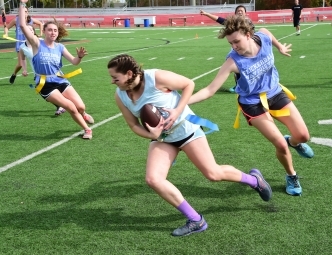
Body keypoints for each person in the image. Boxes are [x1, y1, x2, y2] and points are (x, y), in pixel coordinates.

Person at [107, 53, 272, 237]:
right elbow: (133, 125)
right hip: (164, 139)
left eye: (115, 78)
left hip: (186, 129)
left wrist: (177, 111)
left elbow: (188, 84)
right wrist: (150, 134)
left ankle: (254, 181)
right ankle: (196, 220)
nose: (113, 82)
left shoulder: (156, 78)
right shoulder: (120, 95)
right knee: (153, 180)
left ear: (129, 74)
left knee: (213, 174)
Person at [188, 15, 314, 196]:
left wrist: (280, 47)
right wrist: (183, 102)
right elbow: (209, 90)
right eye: (230, 43)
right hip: (252, 103)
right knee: (280, 145)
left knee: (302, 136)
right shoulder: (232, 61)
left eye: (236, 41)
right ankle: (291, 175)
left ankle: (293, 141)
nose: (234, 46)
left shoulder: (261, 37)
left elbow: (267, 33)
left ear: (248, 34)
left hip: (274, 93)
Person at [18, 0, 94, 139]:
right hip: (44, 84)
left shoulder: (60, 47)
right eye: (49, 30)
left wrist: (79, 57)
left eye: (55, 30)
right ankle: (87, 130)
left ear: (57, 32)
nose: (52, 32)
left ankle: (82, 114)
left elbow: (74, 62)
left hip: (60, 79)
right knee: (70, 107)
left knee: (80, 106)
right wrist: (22, 4)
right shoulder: (36, 44)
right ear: (44, 31)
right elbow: (23, 25)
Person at [200, 5, 254, 93]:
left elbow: (253, 35)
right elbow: (219, 19)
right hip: (237, 50)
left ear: (245, 13)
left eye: (242, 11)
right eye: (238, 11)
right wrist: (206, 14)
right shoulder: (232, 24)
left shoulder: (248, 22)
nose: (240, 12)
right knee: (236, 66)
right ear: (235, 13)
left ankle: (248, 85)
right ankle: (239, 86)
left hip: (247, 49)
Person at [19, 24, 66, 116]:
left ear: (33, 32)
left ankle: (64, 105)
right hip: (38, 74)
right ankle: (61, 105)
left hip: (52, 73)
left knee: (56, 90)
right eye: (27, 30)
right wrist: (24, 69)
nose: (29, 32)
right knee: (46, 93)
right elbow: (23, 59)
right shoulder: (22, 47)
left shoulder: (40, 43)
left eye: (31, 30)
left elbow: (53, 46)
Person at [3, 6, 43, 84]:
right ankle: (14, 74)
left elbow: (40, 24)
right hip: (20, 44)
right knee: (20, 64)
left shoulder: (31, 20)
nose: (23, 13)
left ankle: (39, 76)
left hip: (31, 43)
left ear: (27, 12)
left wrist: (40, 33)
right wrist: (6, 34)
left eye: (25, 11)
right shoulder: (16, 20)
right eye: (21, 11)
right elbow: (6, 28)